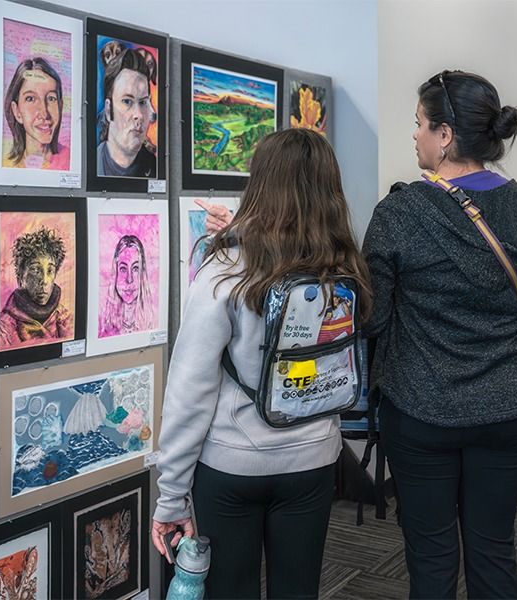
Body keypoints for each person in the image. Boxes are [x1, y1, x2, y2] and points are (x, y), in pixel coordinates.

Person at [362, 70, 517, 599]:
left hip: (420, 411)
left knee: (431, 560)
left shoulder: (398, 213)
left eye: (418, 125)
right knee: (494, 550)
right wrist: (505, 352)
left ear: (446, 135)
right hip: (507, 411)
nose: (414, 135)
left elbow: (373, 320)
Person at [151, 128, 372, 599]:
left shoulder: (224, 271)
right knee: (298, 591)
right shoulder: (344, 270)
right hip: (314, 459)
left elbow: (189, 392)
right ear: (329, 191)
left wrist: (171, 496)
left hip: (232, 466)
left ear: (258, 186)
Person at [0, 226, 72, 350]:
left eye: (50, 270)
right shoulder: (4, 327)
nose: (44, 280)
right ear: (21, 277)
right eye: (35, 270)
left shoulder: (64, 318)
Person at [97, 47, 156, 178]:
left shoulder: (156, 168)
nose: (139, 115)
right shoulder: (93, 166)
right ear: (108, 110)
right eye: (127, 102)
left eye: (142, 102)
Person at [3, 57, 69, 170]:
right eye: (30, 99)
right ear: (17, 111)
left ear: (60, 106)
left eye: (51, 99)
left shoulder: (69, 160)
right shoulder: (6, 166)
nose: (44, 113)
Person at [98, 234, 155, 337]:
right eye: (123, 269)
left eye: (135, 269)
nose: (129, 279)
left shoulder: (152, 321)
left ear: (142, 273)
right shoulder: (103, 323)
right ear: (115, 272)